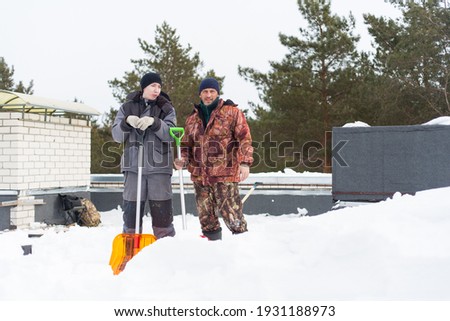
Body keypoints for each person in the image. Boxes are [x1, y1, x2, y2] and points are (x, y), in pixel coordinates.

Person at [174, 77, 253, 240]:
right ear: (200, 94)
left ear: (217, 93)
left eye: (212, 91)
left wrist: (245, 163)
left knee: (233, 217)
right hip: (200, 177)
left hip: (225, 175)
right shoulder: (192, 119)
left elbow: (245, 138)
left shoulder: (231, 113)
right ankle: (212, 250)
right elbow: (186, 145)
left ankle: (243, 252)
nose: (208, 95)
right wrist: (182, 158)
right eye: (205, 92)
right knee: (206, 219)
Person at [112, 72, 176, 238]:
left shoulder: (166, 108)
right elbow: (117, 136)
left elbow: (171, 134)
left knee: (162, 215)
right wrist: (126, 122)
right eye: (153, 86)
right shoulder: (127, 107)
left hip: (159, 168)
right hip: (133, 167)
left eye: (159, 86)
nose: (157, 90)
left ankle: (165, 245)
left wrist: (155, 123)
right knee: (131, 215)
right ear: (144, 87)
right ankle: (130, 248)